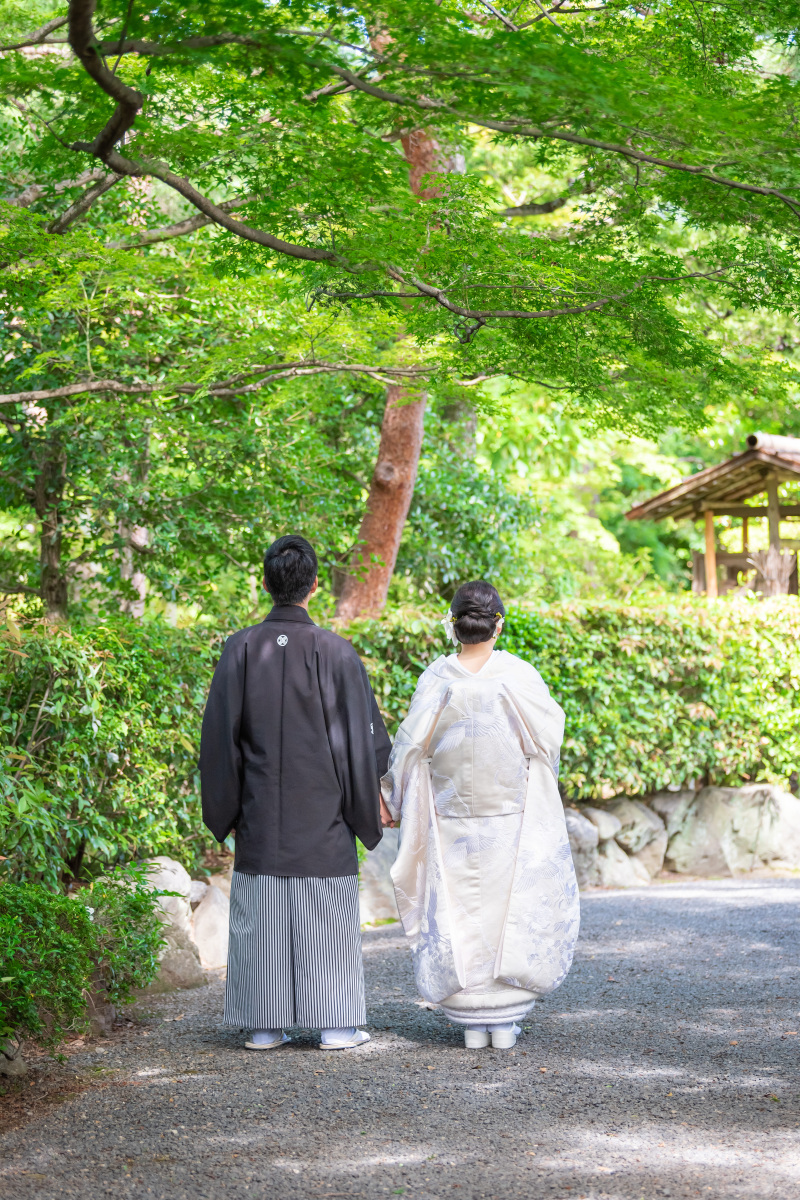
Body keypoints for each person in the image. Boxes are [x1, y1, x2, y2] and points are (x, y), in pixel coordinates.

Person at [200, 534, 393, 1051]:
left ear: (266, 583)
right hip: (324, 814)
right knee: (325, 912)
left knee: (262, 914)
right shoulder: (337, 652)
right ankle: (336, 1026)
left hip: (260, 812)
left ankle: (264, 1027)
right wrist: (371, 798)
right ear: (314, 586)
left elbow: (218, 739)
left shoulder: (241, 648)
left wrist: (228, 809)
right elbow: (365, 740)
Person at [381, 580, 579, 1051]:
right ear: (499, 624)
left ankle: (471, 1020)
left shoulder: (437, 678)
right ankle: (504, 1019)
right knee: (510, 908)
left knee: (457, 913)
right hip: (511, 816)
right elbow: (547, 742)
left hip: (450, 818)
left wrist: (393, 796)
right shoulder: (518, 675)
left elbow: (409, 749)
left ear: (453, 625)